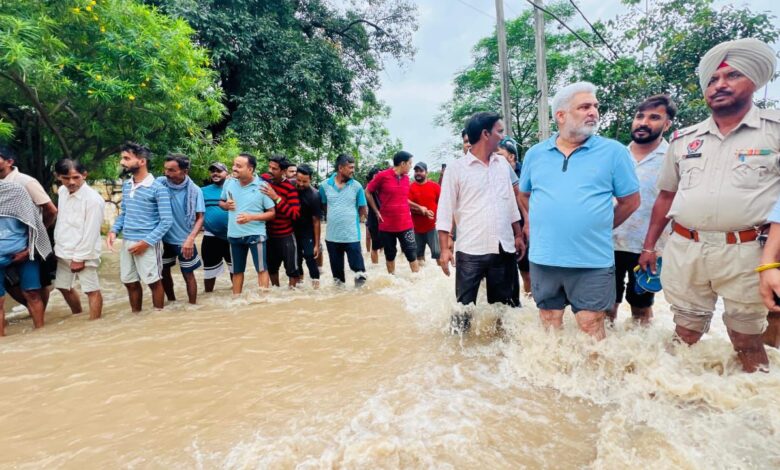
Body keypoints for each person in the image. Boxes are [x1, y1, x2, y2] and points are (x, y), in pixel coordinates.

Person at [639, 38, 780, 372]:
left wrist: (771, 262)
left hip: (748, 252)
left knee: (746, 339)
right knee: (684, 333)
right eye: (713, 79)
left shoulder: (774, 133)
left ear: (754, 81)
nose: (719, 85)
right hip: (687, 249)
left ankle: (755, 400)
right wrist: (648, 247)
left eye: (732, 75)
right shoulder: (684, 140)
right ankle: (664, 392)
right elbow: (666, 197)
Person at [519, 82, 640, 340]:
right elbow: (525, 194)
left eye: (595, 106)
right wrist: (545, 222)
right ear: (561, 115)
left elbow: (631, 201)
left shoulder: (614, 152)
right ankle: (553, 369)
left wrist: (598, 225)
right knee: (549, 322)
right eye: (584, 107)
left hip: (592, 259)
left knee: (590, 325)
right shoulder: (535, 154)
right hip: (544, 257)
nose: (593, 112)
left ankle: (593, 370)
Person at [437, 112, 525, 333]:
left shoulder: (502, 165)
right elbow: (445, 210)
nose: (503, 136)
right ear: (486, 134)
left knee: (504, 311)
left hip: (503, 248)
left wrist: (517, 234)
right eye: (499, 131)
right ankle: (458, 351)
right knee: (463, 311)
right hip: (471, 250)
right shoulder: (456, 169)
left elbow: (510, 202)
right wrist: (445, 249)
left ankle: (501, 350)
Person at [610, 95, 676, 325]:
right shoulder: (616, 155)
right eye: (640, 116)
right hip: (609, 242)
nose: (643, 123)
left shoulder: (673, 156)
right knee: (605, 307)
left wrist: (656, 247)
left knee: (641, 308)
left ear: (667, 124)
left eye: (654, 117)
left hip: (650, 247)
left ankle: (641, 349)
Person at [107, 142, 173, 312]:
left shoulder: (158, 189)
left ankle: (158, 317)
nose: (122, 162)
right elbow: (125, 213)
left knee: (154, 282)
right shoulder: (127, 185)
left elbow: (167, 221)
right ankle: (136, 317)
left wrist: (146, 242)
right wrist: (114, 231)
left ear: (142, 161)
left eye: (126, 158)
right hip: (127, 241)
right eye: (122, 158)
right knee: (129, 282)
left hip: (148, 243)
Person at [0, 145, 57, 308]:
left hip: (30, 244)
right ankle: (32, 312)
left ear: (9, 162)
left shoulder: (25, 182)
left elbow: (51, 210)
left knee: (37, 286)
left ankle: (41, 317)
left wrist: (36, 238)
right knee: (10, 285)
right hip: (5, 245)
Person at [53, 159, 105, 320]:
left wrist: (79, 258)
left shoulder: (93, 200)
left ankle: (94, 323)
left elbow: (91, 232)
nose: (71, 182)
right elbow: (63, 221)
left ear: (84, 175)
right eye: (66, 178)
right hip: (63, 250)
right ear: (58, 176)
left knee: (91, 290)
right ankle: (78, 317)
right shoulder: (62, 191)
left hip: (84, 253)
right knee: (63, 286)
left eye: (76, 177)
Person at [219, 153, 276, 294]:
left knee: (261, 269)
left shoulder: (263, 186)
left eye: (239, 166)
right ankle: (236, 301)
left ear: (250, 169)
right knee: (237, 271)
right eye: (234, 165)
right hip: (234, 234)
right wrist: (226, 205)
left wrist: (251, 217)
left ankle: (263, 300)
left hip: (256, 235)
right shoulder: (228, 182)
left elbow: (272, 213)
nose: (234, 168)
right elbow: (221, 202)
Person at [0, 181, 50, 336]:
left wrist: (29, 250)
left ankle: (40, 335)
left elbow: (35, 225)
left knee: (32, 293)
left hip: (24, 253)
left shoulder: (15, 191)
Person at [157, 154, 205, 305]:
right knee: (163, 272)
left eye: (172, 170)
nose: (167, 173)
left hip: (184, 240)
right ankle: (172, 302)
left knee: (188, 274)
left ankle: (192, 307)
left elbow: (200, 218)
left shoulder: (195, 190)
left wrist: (190, 239)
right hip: (163, 239)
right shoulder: (159, 184)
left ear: (185, 171)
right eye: (166, 169)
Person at [366, 151, 422, 274]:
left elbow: (403, 199)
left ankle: (417, 281)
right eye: (410, 163)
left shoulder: (406, 179)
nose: (411, 166)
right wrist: (376, 211)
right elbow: (368, 191)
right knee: (390, 255)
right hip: (387, 225)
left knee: (412, 253)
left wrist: (419, 207)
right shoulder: (382, 176)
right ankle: (392, 279)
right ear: (403, 163)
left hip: (406, 224)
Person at [319, 154, 368, 286]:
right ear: (340, 168)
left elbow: (362, 208)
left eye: (353, 167)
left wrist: (354, 220)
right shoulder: (324, 186)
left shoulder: (357, 186)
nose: (353, 170)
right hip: (332, 237)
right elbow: (324, 206)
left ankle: (360, 296)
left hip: (352, 236)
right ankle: (340, 297)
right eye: (350, 167)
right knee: (337, 277)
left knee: (360, 273)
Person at [497, 136, 531, 297]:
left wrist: (527, 223)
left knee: (526, 269)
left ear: (511, 156)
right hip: (503, 226)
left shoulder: (526, 173)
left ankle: (529, 297)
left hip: (524, 224)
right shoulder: (491, 170)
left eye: (499, 154)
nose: (495, 158)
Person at [261, 155, 301, 287]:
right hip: (269, 235)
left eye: (274, 169)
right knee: (271, 268)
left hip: (286, 236)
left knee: (292, 271)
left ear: (283, 171)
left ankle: (291, 295)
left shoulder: (290, 188)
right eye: (270, 167)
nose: (270, 171)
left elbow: (295, 214)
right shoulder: (265, 181)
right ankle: (276, 293)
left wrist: (276, 198)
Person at [201, 162, 233, 292]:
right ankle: (208, 296)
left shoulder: (235, 189)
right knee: (209, 272)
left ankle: (237, 297)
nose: (215, 173)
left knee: (236, 269)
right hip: (211, 236)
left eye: (219, 171)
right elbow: (197, 213)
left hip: (233, 235)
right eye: (213, 171)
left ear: (227, 173)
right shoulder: (202, 191)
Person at [293, 164, 322, 288]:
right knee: (296, 258)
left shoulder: (314, 195)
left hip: (307, 231)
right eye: (298, 180)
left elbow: (316, 221)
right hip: (292, 230)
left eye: (304, 181)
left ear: (310, 179)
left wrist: (317, 244)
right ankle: (299, 284)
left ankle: (316, 285)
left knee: (310, 256)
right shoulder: (291, 187)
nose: (300, 184)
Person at [408, 161, 440, 264]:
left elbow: (443, 205)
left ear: (426, 172)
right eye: (416, 171)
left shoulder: (435, 187)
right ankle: (422, 274)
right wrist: (423, 212)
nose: (418, 173)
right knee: (419, 257)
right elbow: (407, 206)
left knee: (438, 255)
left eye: (421, 171)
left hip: (433, 227)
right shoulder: (410, 188)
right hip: (416, 229)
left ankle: (442, 274)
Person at [364, 166, 383, 264]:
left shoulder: (383, 187)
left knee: (385, 245)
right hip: (373, 219)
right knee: (375, 245)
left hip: (385, 219)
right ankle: (375, 266)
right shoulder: (369, 188)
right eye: (376, 175)